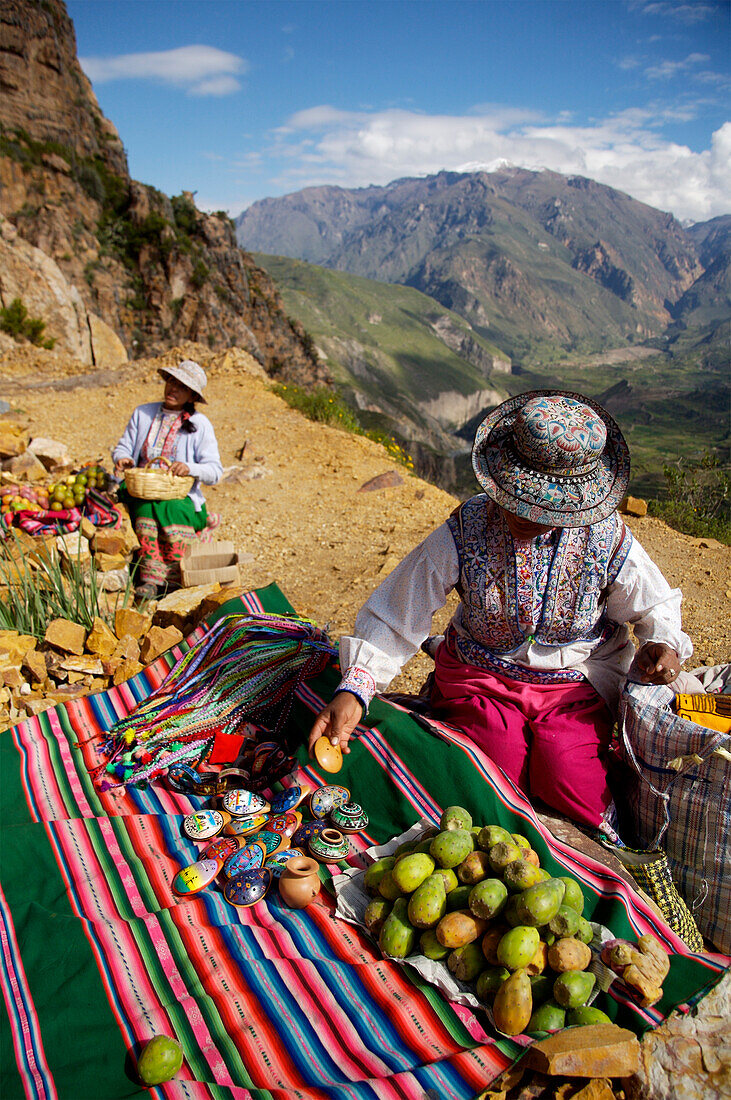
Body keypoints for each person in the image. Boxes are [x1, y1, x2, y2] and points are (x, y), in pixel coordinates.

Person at [309, 390, 694, 830]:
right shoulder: (467, 526)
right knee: (492, 770)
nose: (523, 514)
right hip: (482, 674)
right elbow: (401, 605)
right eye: (515, 499)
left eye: (543, 509)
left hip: (574, 682)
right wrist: (356, 686)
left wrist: (662, 640)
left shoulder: (605, 537)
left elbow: (655, 603)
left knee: (570, 781)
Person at [113, 359, 223, 599]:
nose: (173, 389)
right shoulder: (143, 413)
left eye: (182, 387)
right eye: (171, 382)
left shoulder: (200, 425)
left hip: (181, 494)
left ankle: (174, 578)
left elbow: (215, 471)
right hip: (142, 488)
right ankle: (149, 579)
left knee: (170, 509)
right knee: (144, 505)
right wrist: (123, 458)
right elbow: (123, 447)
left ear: (192, 395)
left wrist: (190, 468)